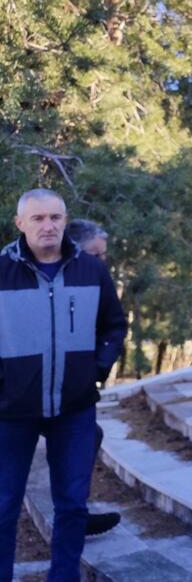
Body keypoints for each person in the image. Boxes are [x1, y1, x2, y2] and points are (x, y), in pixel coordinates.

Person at [1, 189, 127, 582]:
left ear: (65, 220)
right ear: (20, 223)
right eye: (38, 218)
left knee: (72, 506)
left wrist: (96, 370)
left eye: (55, 217)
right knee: (3, 506)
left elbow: (113, 325)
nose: (48, 225)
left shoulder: (91, 270)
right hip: (10, 412)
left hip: (74, 409)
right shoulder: (2, 271)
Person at [63, 220, 121, 538]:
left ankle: (76, 513)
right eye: (95, 255)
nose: (101, 262)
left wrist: (98, 368)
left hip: (75, 387)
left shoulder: (96, 280)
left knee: (88, 436)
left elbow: (113, 325)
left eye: (103, 256)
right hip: (25, 391)